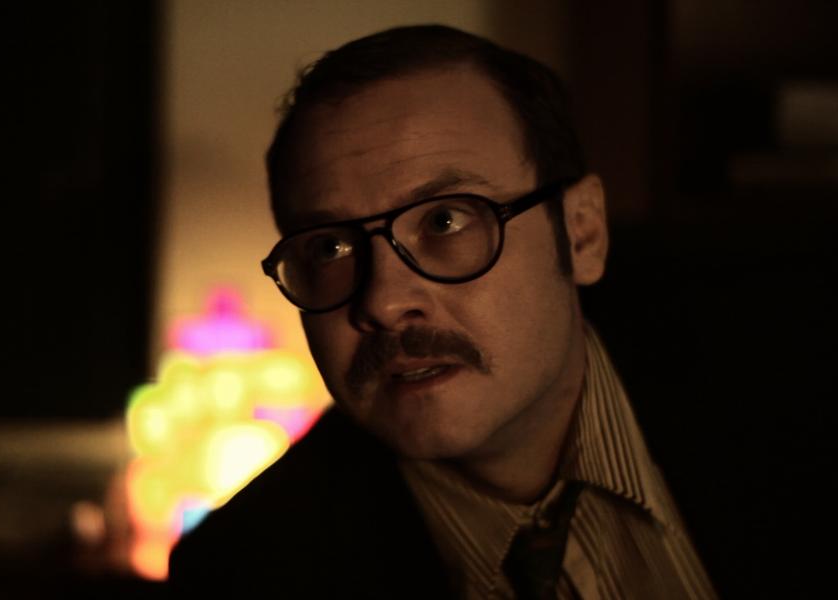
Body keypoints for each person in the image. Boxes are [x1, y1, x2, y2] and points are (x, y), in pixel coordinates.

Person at [169, 24, 716, 599]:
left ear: (581, 233)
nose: (383, 303)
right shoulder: (240, 574)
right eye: (329, 248)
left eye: (444, 221)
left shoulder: (775, 376)